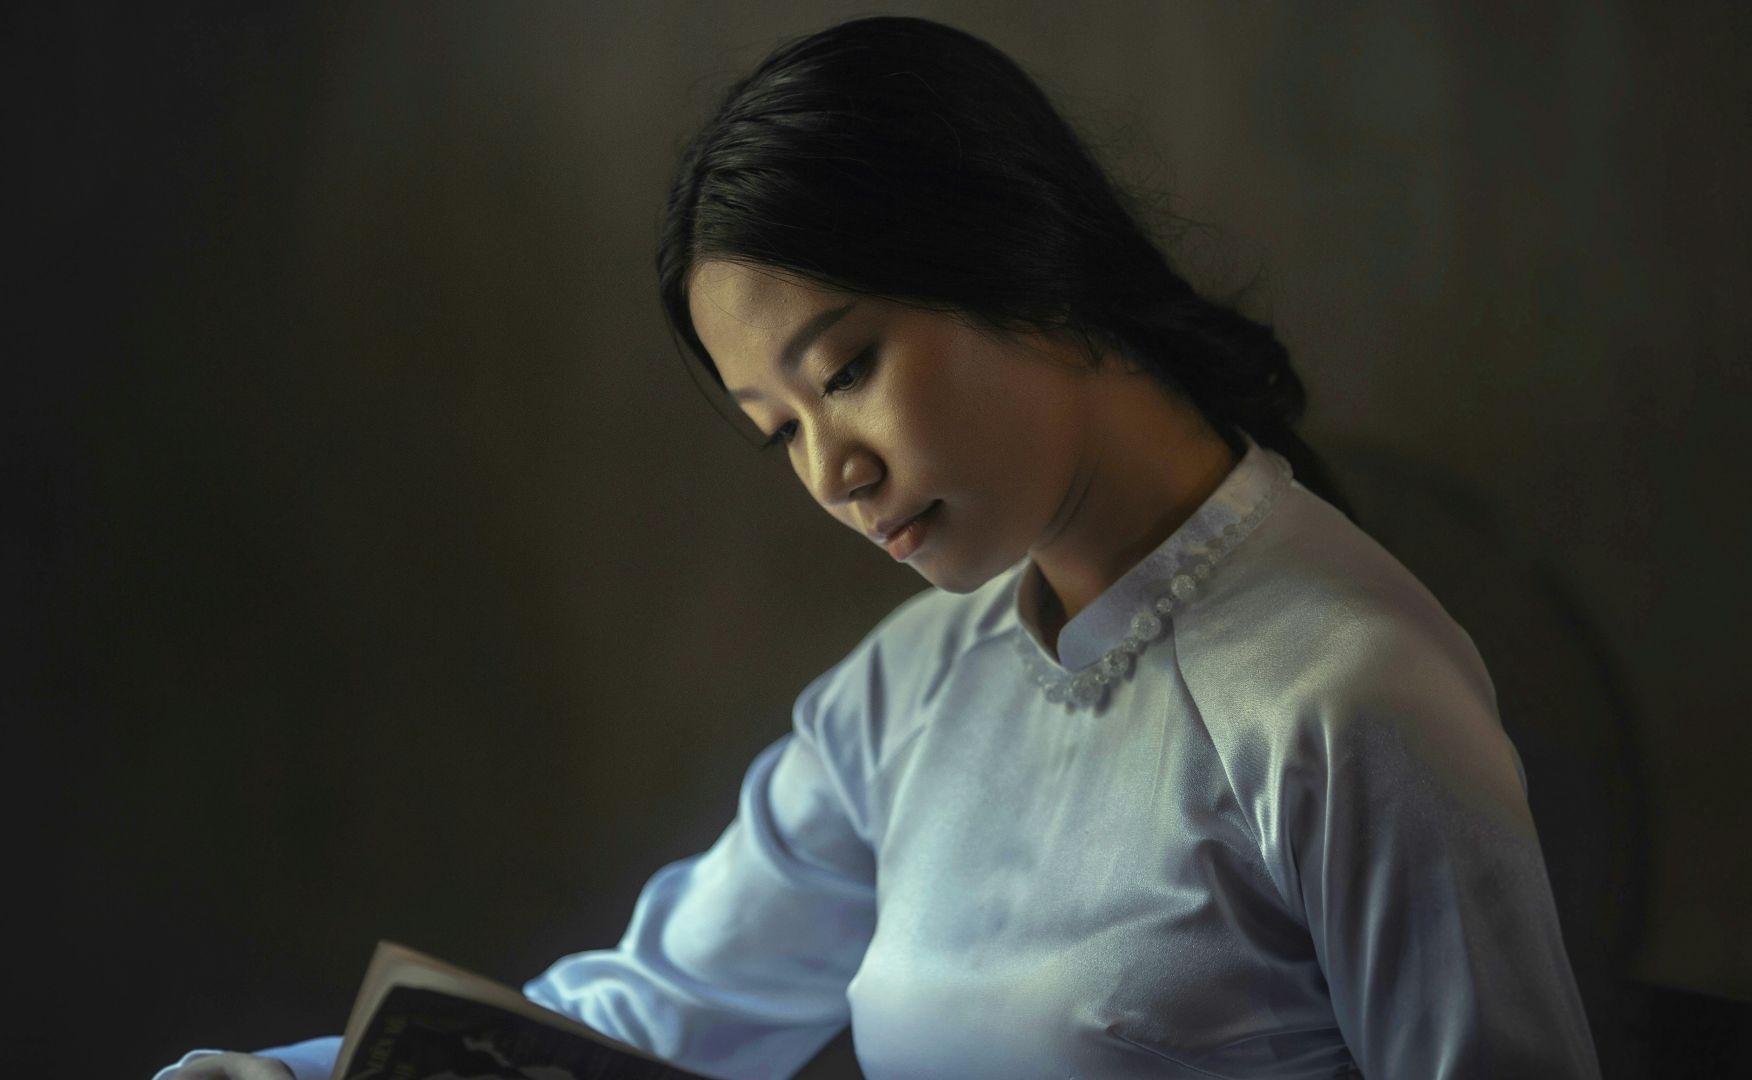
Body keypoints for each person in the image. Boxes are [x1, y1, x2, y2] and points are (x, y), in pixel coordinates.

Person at [155, 15, 1600, 1080]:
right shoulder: (909, 694)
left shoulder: (1350, 698)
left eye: (845, 369)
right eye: (776, 429)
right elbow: (654, 1020)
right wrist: (289, 1076)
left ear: (1017, 255)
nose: (833, 472)